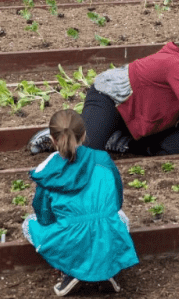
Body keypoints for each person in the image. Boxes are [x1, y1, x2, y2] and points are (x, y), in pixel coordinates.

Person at [29, 34, 179, 176]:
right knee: (86, 156)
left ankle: (117, 139)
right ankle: (60, 135)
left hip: (143, 117)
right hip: (113, 100)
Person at [22, 109, 139, 297]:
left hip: (70, 238)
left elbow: (44, 215)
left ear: (52, 139)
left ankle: (70, 272)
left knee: (28, 223)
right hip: (105, 231)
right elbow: (116, 201)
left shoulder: (47, 170)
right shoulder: (103, 159)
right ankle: (107, 271)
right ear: (84, 135)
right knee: (120, 218)